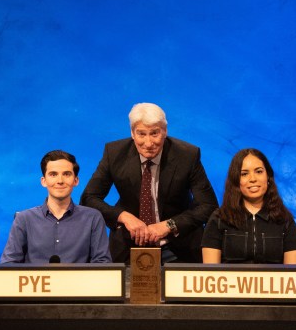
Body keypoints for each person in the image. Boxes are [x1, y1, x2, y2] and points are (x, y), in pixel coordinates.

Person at [80, 102, 218, 263]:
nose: (148, 143)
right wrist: (123, 216)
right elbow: (88, 198)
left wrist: (169, 225)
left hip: (178, 245)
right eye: (141, 134)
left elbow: (208, 205)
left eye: (154, 133)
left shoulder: (187, 155)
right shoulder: (114, 153)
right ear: (132, 133)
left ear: (165, 131)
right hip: (128, 244)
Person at [1, 150, 111, 263]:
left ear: (76, 180)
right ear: (43, 181)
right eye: (53, 174)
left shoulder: (93, 218)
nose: (60, 181)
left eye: (66, 174)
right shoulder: (24, 219)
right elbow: (9, 264)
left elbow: (102, 263)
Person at [201, 148, 296, 264]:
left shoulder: (285, 220)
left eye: (259, 172)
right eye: (244, 174)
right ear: (236, 181)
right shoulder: (218, 219)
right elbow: (210, 274)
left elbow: (293, 275)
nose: (253, 179)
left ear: (268, 177)